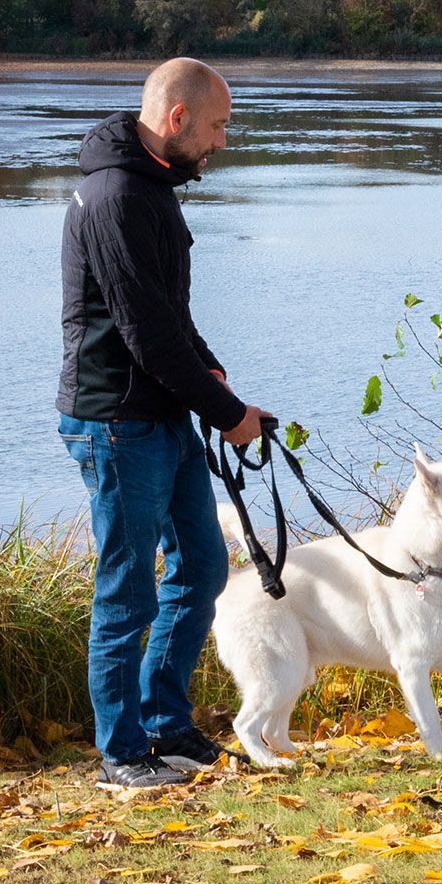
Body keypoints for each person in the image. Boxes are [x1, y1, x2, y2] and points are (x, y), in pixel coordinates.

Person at [57, 57, 271, 789]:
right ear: (177, 118)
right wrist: (228, 415)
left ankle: (165, 726)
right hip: (115, 420)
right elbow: (144, 331)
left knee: (205, 566)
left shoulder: (150, 184)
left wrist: (216, 383)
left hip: (161, 413)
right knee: (127, 590)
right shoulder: (116, 194)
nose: (220, 141)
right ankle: (121, 756)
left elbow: (172, 319)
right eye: (216, 126)